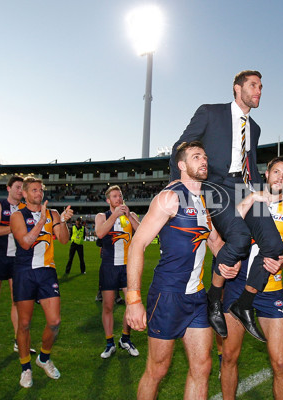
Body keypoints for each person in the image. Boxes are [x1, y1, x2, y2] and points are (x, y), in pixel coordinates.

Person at [169, 70, 282, 342]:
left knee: (274, 245)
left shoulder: (254, 128)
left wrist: (260, 191)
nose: (259, 90)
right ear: (237, 88)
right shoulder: (210, 112)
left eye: (261, 86)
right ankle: (214, 299)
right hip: (214, 185)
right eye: (253, 85)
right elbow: (179, 148)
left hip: (244, 188)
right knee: (241, 238)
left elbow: (250, 165)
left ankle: (244, 304)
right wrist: (180, 191)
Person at [126, 141, 233, 399]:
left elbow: (216, 245)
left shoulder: (203, 203)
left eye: (205, 156)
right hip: (168, 296)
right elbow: (137, 244)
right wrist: (133, 300)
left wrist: (237, 260)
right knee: (157, 369)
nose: (204, 160)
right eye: (197, 157)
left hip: (197, 297)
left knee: (202, 366)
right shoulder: (169, 198)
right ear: (182, 165)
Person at [221, 157, 283, 400]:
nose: (280, 178)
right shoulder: (246, 202)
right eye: (277, 172)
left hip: (272, 291)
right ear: (267, 174)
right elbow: (222, 230)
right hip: (237, 286)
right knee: (229, 356)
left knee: (280, 363)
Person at [10, 177, 73, 388]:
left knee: (54, 322)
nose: (38, 193)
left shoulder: (52, 213)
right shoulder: (17, 216)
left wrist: (61, 221)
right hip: (24, 272)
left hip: (47, 272)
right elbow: (26, 243)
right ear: (25, 194)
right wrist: (41, 221)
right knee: (24, 324)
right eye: (34, 190)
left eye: (40, 190)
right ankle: (25, 368)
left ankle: (43, 359)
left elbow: (63, 239)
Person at [0, 176, 35, 353]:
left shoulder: (25, 209)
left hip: (17, 259)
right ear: (8, 188)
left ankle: (19, 341)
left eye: (22, 188)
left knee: (17, 301)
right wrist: (15, 227)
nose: (20, 190)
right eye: (17, 187)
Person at [95, 185, 140, 359]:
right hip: (109, 266)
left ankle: (125, 339)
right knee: (108, 306)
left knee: (131, 304)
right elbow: (99, 233)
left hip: (128, 266)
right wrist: (115, 215)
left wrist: (128, 216)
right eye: (114, 196)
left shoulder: (131, 215)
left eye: (120, 196)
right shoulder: (102, 216)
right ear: (108, 200)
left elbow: (142, 231)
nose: (118, 199)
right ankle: (109, 343)